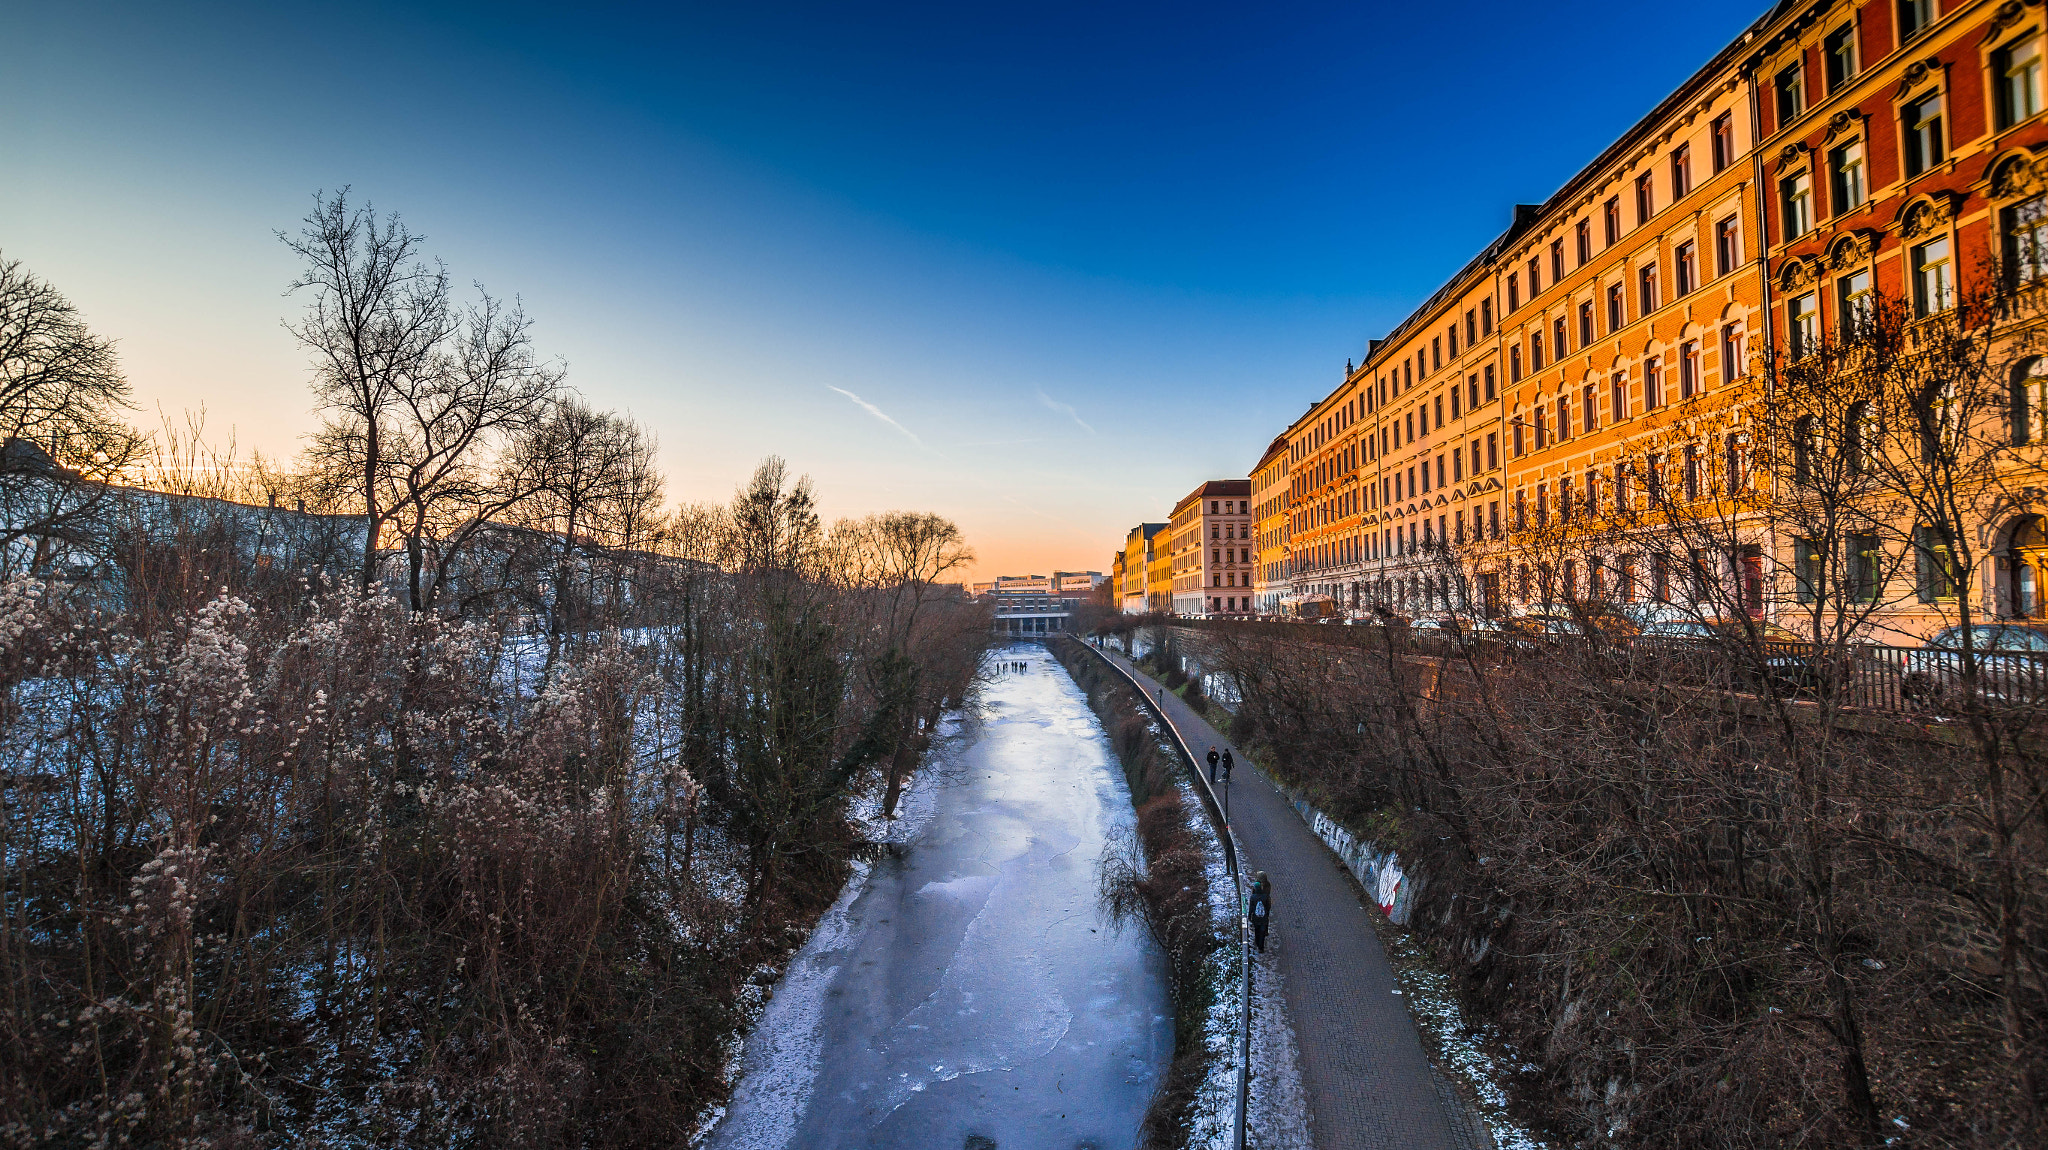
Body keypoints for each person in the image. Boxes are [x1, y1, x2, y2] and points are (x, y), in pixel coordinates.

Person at [1247, 871, 1271, 952]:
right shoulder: (1267, 887)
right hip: (1264, 914)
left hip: (1256, 916)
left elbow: (1251, 907)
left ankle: (1257, 943)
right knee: (1262, 929)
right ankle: (1261, 946)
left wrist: (1249, 916)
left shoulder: (1253, 896)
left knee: (1257, 930)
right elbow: (1267, 905)